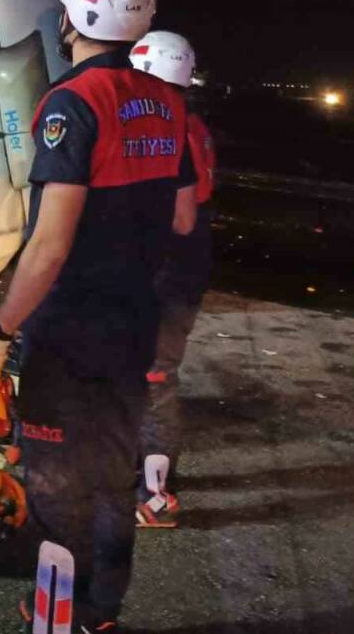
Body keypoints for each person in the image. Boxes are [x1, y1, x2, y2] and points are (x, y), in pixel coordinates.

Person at [0, 0, 198, 633]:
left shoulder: (71, 103)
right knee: (112, 473)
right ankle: (101, 610)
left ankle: (55, 617)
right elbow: (183, 218)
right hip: (135, 320)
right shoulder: (169, 102)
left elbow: (49, 247)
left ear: (72, 16)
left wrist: (0, 330)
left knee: (55, 488)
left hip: (72, 329)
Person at [128, 31, 216, 528]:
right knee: (148, 375)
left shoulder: (166, 126)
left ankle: (158, 496)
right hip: (184, 265)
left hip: (165, 270)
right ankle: (140, 474)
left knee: (155, 378)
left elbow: (173, 215)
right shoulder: (193, 121)